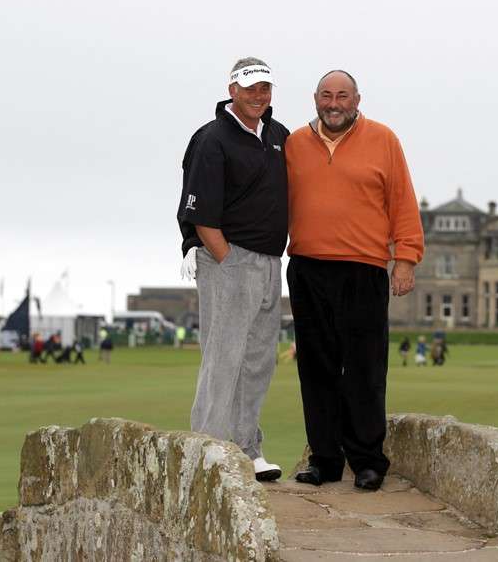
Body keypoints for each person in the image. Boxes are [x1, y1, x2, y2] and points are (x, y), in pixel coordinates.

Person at [286, 70, 425, 491]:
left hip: (363, 269)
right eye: (326, 95)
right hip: (308, 267)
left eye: (342, 96)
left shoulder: (383, 139)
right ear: (315, 99)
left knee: (364, 368)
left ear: (357, 99)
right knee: (316, 368)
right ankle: (324, 460)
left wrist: (406, 259)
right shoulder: (293, 143)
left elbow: (402, 200)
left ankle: (367, 461)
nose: (334, 103)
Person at [177, 57, 288, 482]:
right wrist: (226, 259)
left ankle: (246, 448)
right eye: (251, 87)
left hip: (269, 261)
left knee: (259, 360)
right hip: (230, 257)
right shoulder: (212, 139)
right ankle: (207, 450)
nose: (259, 95)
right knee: (223, 358)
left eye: (265, 88)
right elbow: (200, 212)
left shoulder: (278, 134)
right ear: (233, 89)